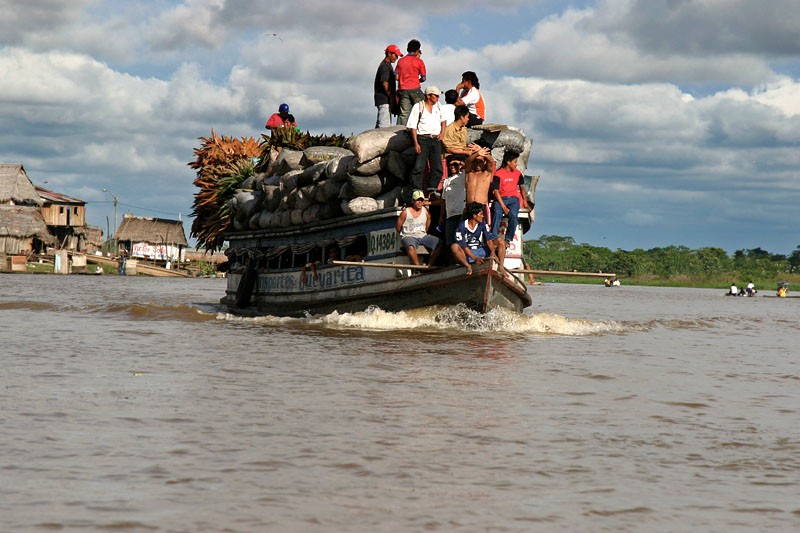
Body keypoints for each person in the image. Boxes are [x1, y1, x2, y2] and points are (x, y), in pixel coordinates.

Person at [407, 86, 446, 191]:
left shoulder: (438, 106)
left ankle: (432, 189)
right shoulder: (418, 106)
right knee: (419, 167)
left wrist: (442, 133)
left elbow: (443, 120)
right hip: (422, 139)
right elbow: (413, 126)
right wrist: (416, 143)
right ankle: (417, 190)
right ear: (428, 96)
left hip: (435, 139)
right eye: (436, 96)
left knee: (437, 167)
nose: (438, 98)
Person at [451, 201, 502, 275]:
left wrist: (493, 253)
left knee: (500, 241)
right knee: (454, 246)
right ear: (474, 215)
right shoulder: (461, 227)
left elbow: (489, 240)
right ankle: (468, 266)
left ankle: (501, 267)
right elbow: (464, 247)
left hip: (481, 250)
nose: (483, 216)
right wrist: (475, 258)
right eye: (481, 214)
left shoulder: (483, 224)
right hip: (468, 253)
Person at [490, 150, 529, 245]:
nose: (516, 164)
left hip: (513, 200)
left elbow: (522, 188)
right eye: (515, 162)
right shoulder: (498, 174)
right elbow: (496, 191)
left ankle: (508, 239)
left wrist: (525, 201)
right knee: (497, 213)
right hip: (501, 199)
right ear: (508, 162)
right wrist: (503, 206)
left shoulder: (518, 174)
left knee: (513, 216)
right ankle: (493, 237)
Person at [396, 190, 443, 266]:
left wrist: (423, 232)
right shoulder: (405, 212)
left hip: (422, 235)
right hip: (409, 235)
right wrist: (405, 234)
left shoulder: (426, 212)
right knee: (410, 246)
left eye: (421, 200)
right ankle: (418, 266)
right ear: (412, 201)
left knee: (439, 243)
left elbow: (428, 224)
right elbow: (398, 227)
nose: (419, 202)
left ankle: (429, 265)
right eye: (417, 200)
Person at [395, 39, 426, 126]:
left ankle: (400, 131)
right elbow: (423, 78)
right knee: (422, 110)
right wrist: (417, 80)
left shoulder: (400, 61)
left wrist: (403, 79)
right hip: (415, 89)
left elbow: (396, 76)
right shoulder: (419, 62)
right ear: (417, 50)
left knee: (404, 113)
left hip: (403, 90)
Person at [439, 156, 467, 247]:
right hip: (449, 215)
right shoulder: (446, 181)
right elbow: (444, 200)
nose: (452, 167)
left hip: (461, 214)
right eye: (450, 165)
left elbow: (470, 168)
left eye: (454, 164)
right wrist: (441, 216)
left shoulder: (463, 176)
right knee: (450, 242)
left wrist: (460, 163)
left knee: (461, 241)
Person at [374, 44, 402, 128]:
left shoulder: (387, 65)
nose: (396, 57)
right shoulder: (385, 66)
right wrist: (391, 97)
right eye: (395, 55)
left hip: (383, 99)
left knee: (380, 125)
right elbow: (385, 83)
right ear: (389, 53)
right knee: (384, 127)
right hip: (384, 99)